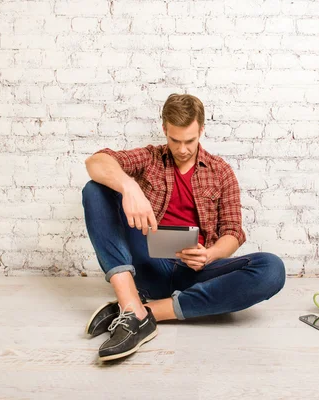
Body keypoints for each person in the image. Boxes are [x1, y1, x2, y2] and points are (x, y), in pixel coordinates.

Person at [82, 94, 286, 362]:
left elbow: (234, 232)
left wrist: (210, 254)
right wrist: (129, 187)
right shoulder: (151, 157)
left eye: (189, 140)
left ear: (201, 130)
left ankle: (141, 311)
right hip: (149, 261)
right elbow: (95, 162)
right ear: (165, 129)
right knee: (96, 189)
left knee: (272, 268)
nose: (182, 149)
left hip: (197, 270)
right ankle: (132, 301)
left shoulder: (220, 171)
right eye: (174, 140)